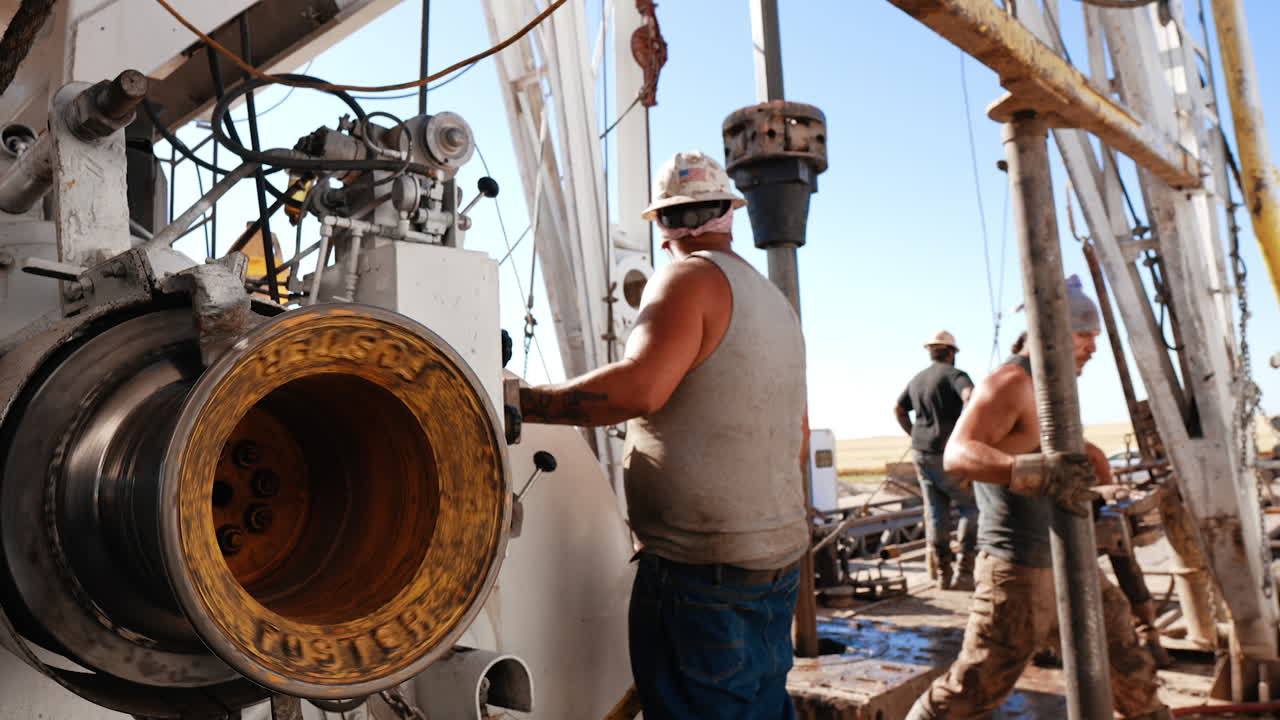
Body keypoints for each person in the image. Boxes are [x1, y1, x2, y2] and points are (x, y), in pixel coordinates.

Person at [520, 150, 808, 720]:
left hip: (702, 574)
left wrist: (523, 402)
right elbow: (797, 435)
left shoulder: (685, 276)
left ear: (664, 227)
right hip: (772, 564)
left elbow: (639, 391)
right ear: (731, 212)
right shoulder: (774, 302)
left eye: (677, 219)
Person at [904, 276, 1172, 720]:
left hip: (1069, 560)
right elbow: (958, 453)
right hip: (1019, 569)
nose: (1094, 347)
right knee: (974, 687)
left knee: (1127, 668)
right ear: (1054, 332)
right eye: (1086, 335)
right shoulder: (1011, 382)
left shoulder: (1052, 389)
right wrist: (1035, 473)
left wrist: (1094, 467)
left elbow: (1046, 445)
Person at [894, 331, 978, 590]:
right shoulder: (955, 375)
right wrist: (965, 432)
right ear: (952, 353)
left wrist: (914, 433)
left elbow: (898, 408)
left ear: (931, 352)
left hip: (922, 453)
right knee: (971, 508)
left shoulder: (918, 379)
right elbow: (969, 396)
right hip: (949, 454)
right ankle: (965, 571)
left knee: (935, 512)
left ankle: (943, 573)